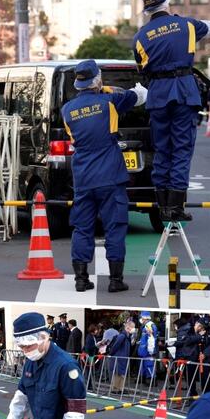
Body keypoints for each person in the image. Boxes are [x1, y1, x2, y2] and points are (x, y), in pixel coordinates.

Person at [132, 0, 210, 222]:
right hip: (183, 91)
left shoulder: (140, 38)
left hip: (158, 94)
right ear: (167, 3)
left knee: (162, 150)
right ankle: (176, 207)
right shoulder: (186, 25)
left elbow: (143, 71)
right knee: (182, 149)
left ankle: (162, 206)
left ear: (146, 10)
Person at [61, 60, 144, 292]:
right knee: (115, 226)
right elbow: (139, 96)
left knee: (82, 227)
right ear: (98, 79)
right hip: (110, 176)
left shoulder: (67, 110)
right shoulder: (110, 102)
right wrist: (108, 88)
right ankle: (115, 281)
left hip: (83, 177)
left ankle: (81, 279)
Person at [107, 319, 134, 391]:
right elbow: (115, 346)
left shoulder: (127, 336)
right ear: (128, 328)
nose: (133, 329)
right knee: (118, 373)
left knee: (121, 374)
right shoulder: (122, 336)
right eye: (132, 327)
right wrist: (111, 354)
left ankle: (120, 388)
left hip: (122, 357)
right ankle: (116, 389)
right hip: (119, 357)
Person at [137, 312, 158, 380]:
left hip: (147, 351)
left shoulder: (149, 326)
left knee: (149, 365)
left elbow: (151, 339)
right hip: (144, 350)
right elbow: (146, 338)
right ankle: (144, 378)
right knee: (143, 365)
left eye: (141, 318)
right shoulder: (146, 326)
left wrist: (151, 350)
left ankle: (151, 380)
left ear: (144, 318)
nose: (140, 319)